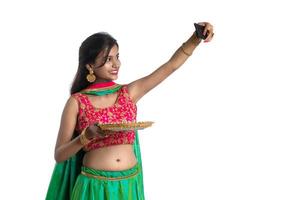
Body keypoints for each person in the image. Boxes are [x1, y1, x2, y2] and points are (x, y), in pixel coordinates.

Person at [46, 21, 214, 200]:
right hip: (93, 187)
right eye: (108, 59)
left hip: (129, 185)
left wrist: (196, 38)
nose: (116, 64)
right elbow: (60, 154)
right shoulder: (77, 102)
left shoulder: (128, 93)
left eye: (117, 56)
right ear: (89, 66)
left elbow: (170, 66)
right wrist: (85, 137)